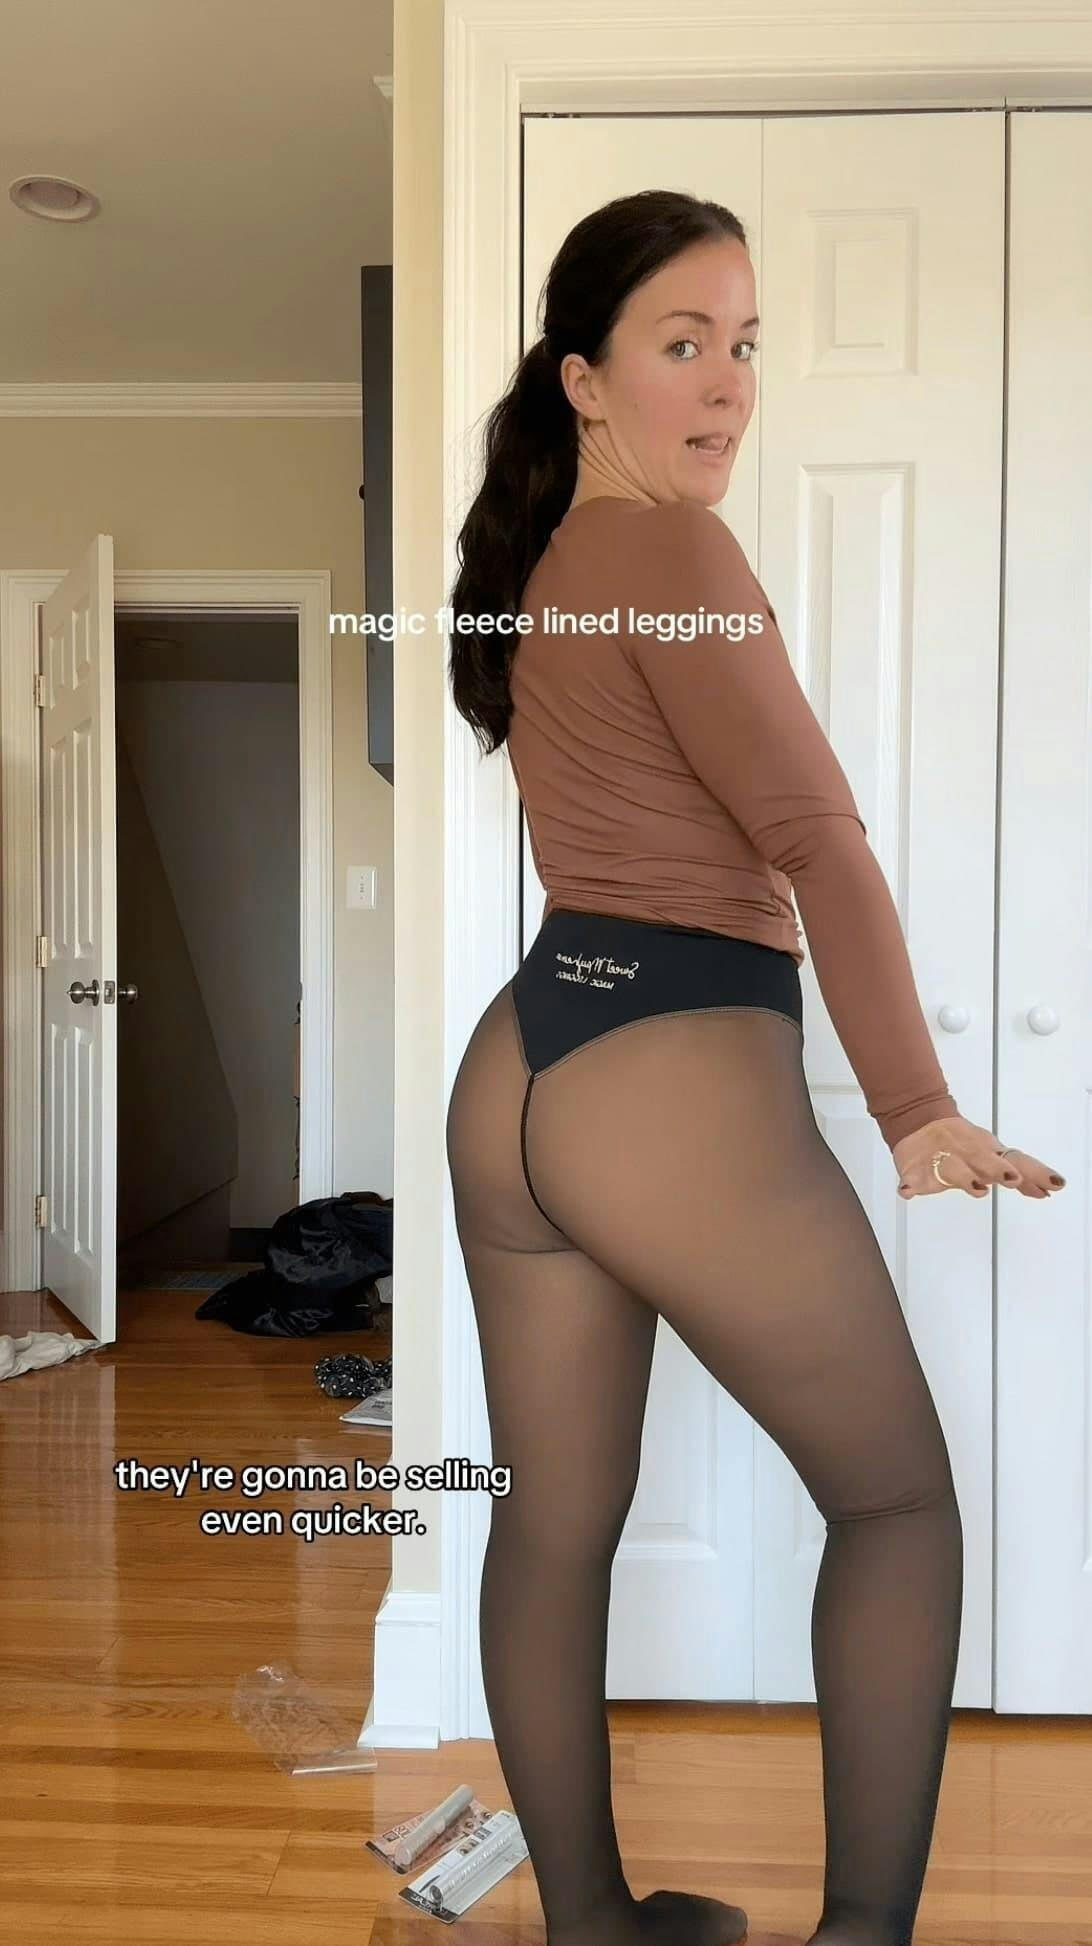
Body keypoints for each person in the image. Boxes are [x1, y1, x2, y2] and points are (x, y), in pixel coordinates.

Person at [443, 188, 1065, 1946]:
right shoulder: (672, 555)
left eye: (745, 344)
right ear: (585, 379)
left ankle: (593, 1924)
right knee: (898, 1503)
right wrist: (918, 1106)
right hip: (670, 1065)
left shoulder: (552, 567)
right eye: (681, 343)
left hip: (529, 1061)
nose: (727, 383)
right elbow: (817, 842)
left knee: (552, 1525)